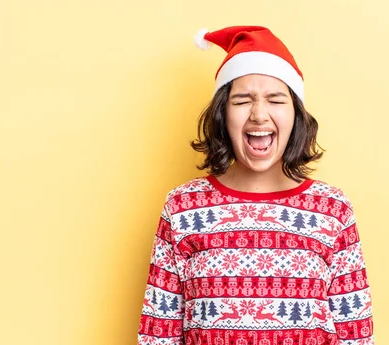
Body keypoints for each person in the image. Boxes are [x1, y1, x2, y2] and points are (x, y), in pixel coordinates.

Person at [137, 26, 374, 345]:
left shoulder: (333, 209)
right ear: (222, 113)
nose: (259, 115)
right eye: (242, 100)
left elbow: (355, 334)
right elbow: (158, 334)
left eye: (276, 100)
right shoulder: (183, 207)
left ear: (296, 115)